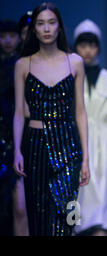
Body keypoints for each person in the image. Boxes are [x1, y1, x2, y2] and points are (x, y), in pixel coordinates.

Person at [12, 2, 90, 236]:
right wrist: (17, 150)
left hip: (68, 144)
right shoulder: (23, 65)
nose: (46, 28)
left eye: (51, 22)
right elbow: (18, 112)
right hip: (35, 145)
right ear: (34, 29)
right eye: (41, 23)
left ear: (59, 27)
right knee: (38, 214)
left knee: (66, 214)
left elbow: (80, 112)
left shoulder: (74, 61)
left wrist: (86, 159)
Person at [73, 19, 107, 236]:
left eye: (92, 45)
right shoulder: (68, 79)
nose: (87, 50)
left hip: (106, 154)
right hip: (77, 150)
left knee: (104, 219)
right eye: (82, 44)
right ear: (75, 47)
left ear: (98, 47)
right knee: (76, 216)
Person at [0, 19, 27, 236]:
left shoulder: (24, 65)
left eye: (12, 36)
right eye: (2, 36)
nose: (7, 41)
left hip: (20, 140)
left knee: (20, 208)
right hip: (2, 140)